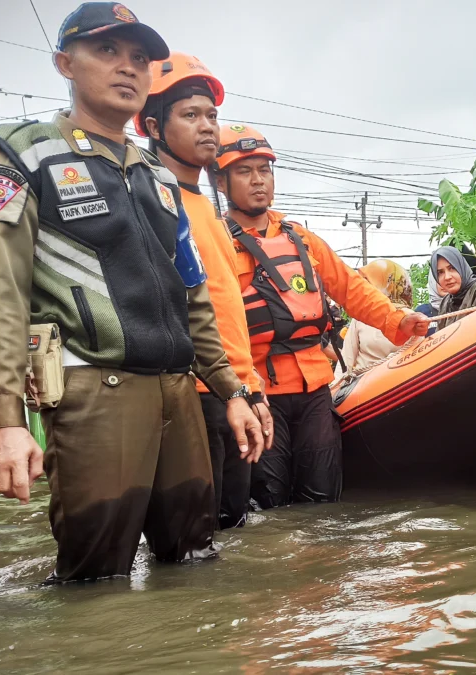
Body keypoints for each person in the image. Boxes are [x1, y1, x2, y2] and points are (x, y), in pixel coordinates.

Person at [0, 2, 263, 583]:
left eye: (139, 58)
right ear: (64, 64)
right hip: (94, 391)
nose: (127, 68)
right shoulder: (22, 156)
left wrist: (231, 389)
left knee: (197, 561)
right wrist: (3, 420)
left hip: (180, 394)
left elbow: (192, 295)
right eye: (107, 51)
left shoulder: (159, 180)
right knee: (95, 581)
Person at [214, 124, 430, 506]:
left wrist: (398, 320)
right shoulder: (216, 243)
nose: (258, 180)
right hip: (258, 391)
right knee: (268, 501)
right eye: (244, 172)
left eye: (264, 170)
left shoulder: (302, 238)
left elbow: (352, 288)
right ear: (220, 182)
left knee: (322, 499)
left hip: (315, 388)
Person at [136, 52, 273, 530]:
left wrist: (249, 389)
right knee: (191, 536)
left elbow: (225, 313)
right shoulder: (149, 200)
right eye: (190, 115)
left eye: (211, 115)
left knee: (230, 523)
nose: (208, 126)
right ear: (153, 126)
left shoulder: (206, 210)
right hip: (188, 392)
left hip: (228, 391)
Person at [335, 259, 413, 381]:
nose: (364, 289)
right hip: (361, 388)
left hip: (399, 386)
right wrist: (335, 390)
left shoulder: (410, 318)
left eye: (369, 282)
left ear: (389, 285)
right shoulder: (361, 318)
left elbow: (417, 358)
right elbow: (346, 360)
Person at [432, 245, 476, 328]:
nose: (447, 277)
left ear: (461, 266)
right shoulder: (446, 302)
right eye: (440, 272)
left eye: (452, 268)